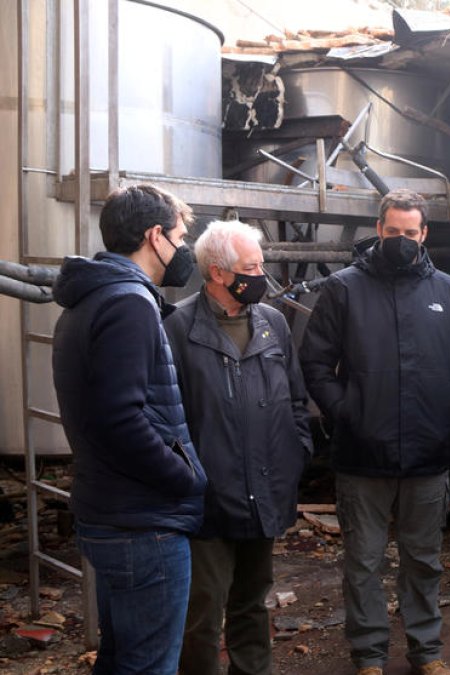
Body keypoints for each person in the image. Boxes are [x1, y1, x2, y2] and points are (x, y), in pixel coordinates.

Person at [300, 188, 450, 675]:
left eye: (411, 232)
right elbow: (315, 362)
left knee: (424, 560)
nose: (401, 239)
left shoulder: (447, 289)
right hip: (362, 456)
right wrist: (346, 413)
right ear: (379, 230)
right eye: (393, 231)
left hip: (427, 453)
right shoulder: (343, 288)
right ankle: (370, 656)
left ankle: (427, 651)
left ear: (424, 234)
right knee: (363, 563)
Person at [52, 185, 208, 673]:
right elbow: (120, 419)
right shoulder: (128, 303)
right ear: (154, 235)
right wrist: (184, 477)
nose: (184, 250)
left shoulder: (92, 297)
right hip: (143, 525)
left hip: (112, 514)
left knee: (122, 660)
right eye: (180, 237)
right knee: (150, 666)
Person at [164, 220, 313, 675]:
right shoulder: (177, 328)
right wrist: (188, 478)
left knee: (253, 603)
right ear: (217, 273)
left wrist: (296, 452)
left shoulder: (272, 324)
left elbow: (294, 398)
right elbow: (168, 418)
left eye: (261, 264)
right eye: (252, 267)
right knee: (202, 614)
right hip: (208, 499)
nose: (262, 276)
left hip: (264, 490)